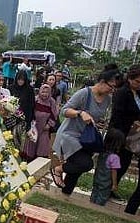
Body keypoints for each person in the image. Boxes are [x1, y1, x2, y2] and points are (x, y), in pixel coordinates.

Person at [51, 66, 120, 195]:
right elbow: (64, 110)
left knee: (76, 171)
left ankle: (65, 194)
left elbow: (96, 115)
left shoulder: (107, 99)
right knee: (85, 164)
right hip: (70, 135)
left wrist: (97, 122)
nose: (112, 90)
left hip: (87, 138)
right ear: (102, 81)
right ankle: (58, 169)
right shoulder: (84, 93)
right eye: (111, 86)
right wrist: (80, 113)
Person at [109, 64, 140, 186]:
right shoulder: (122, 93)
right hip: (119, 134)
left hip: (132, 136)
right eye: (138, 81)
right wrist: (132, 123)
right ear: (130, 78)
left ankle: (114, 187)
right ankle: (106, 188)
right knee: (115, 163)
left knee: (124, 163)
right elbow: (117, 116)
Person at [22, 84, 58, 161]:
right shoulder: (35, 99)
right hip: (34, 127)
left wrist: (49, 124)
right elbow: (30, 111)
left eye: (47, 92)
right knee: (31, 145)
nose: (44, 94)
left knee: (42, 147)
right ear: (40, 92)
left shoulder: (52, 102)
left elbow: (54, 115)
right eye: (43, 92)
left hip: (44, 128)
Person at [90, 129, 125, 206]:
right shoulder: (114, 157)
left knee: (95, 192)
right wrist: (114, 184)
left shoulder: (102, 153)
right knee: (102, 196)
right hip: (106, 181)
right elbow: (114, 171)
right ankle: (98, 208)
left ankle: (91, 205)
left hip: (97, 177)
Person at [9, 70, 35, 150]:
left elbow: (31, 105)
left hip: (23, 119)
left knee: (19, 140)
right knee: (9, 138)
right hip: (11, 119)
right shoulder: (10, 88)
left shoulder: (29, 89)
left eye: (22, 80)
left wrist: (29, 121)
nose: (20, 81)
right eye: (19, 79)